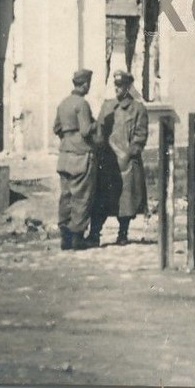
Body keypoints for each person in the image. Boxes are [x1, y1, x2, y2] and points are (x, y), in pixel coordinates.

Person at [91, 71, 150, 246]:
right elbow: (99, 130)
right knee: (101, 200)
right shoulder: (107, 106)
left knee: (126, 202)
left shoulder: (138, 108)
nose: (117, 89)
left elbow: (141, 135)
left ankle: (122, 233)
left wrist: (131, 152)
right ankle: (94, 235)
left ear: (128, 87)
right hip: (107, 161)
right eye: (116, 86)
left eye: (121, 86)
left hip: (125, 164)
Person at [53, 68, 99, 251]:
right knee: (81, 196)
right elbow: (86, 130)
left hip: (64, 155)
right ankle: (77, 238)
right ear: (85, 84)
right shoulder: (82, 104)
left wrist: (68, 139)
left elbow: (56, 128)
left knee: (66, 196)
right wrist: (97, 123)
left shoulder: (63, 103)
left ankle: (65, 237)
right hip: (81, 155)